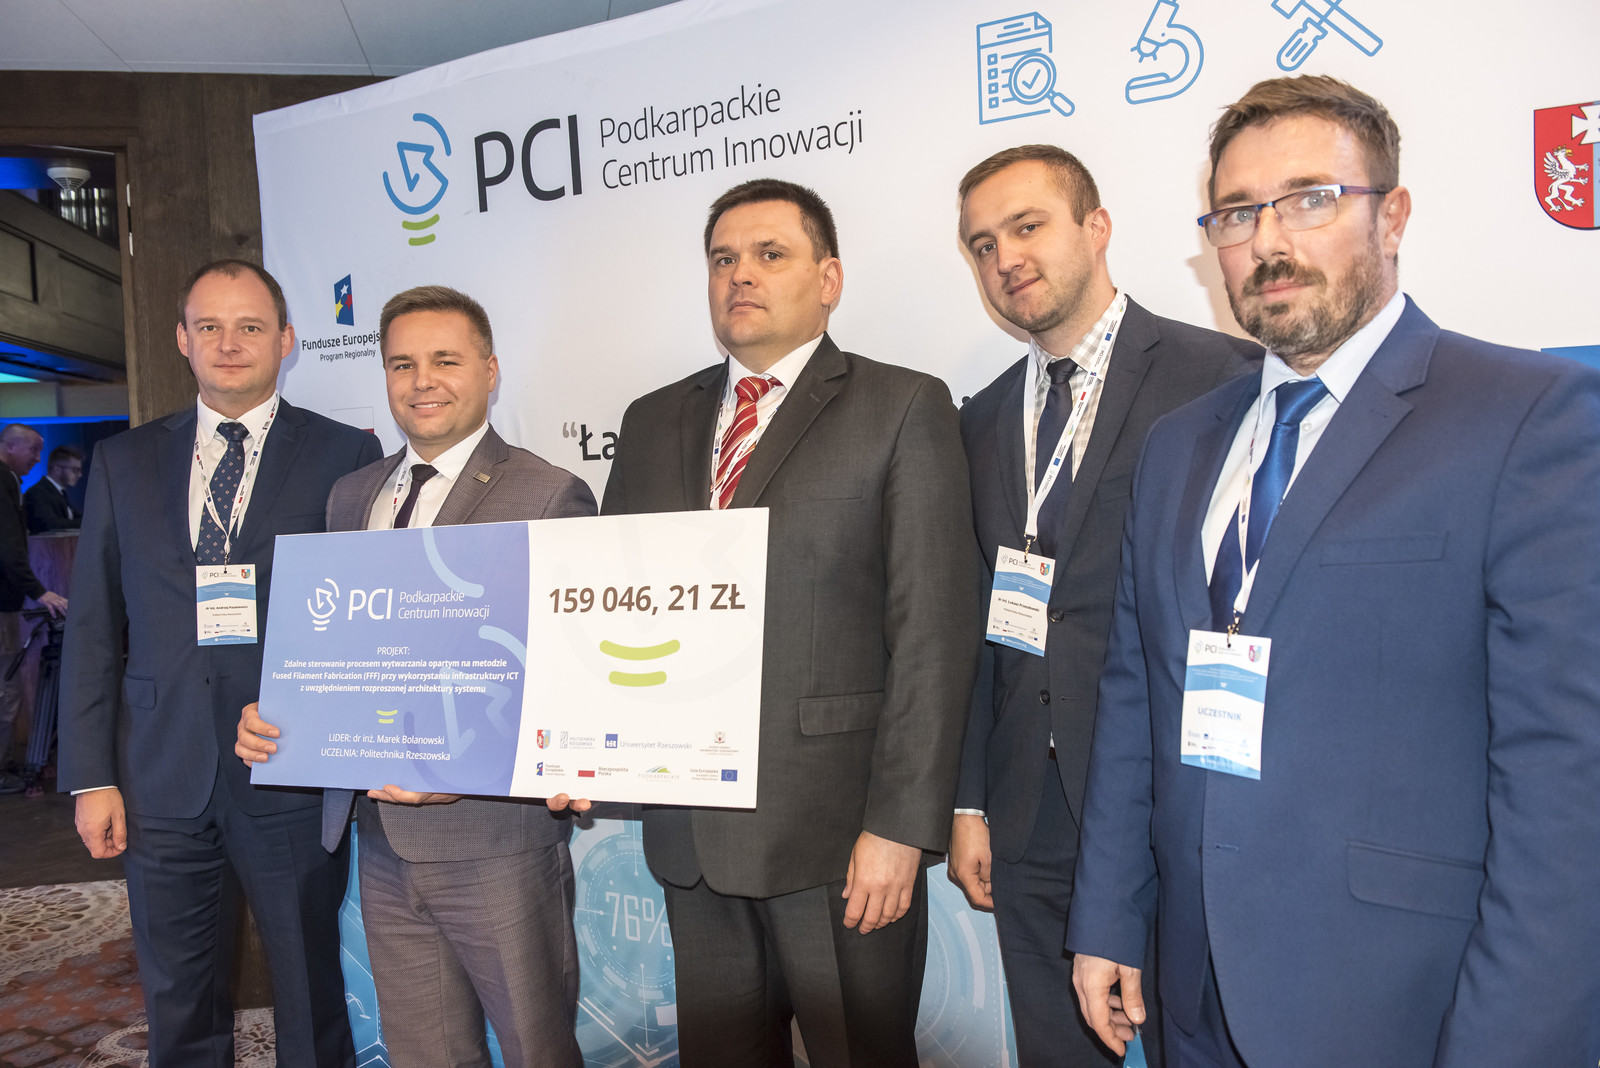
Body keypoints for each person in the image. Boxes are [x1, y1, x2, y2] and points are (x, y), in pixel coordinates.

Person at [1067, 75, 1600, 1067]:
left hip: (1395, 1001)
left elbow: (1566, 783)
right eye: (1237, 213)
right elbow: (1135, 695)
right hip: (1192, 987)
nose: (1268, 241)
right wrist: (1106, 913)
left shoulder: (1526, 416)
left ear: (1391, 216)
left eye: (1311, 199)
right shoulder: (1177, 445)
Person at [573, 178, 979, 1067]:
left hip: (838, 840)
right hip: (692, 835)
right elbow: (611, 605)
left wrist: (900, 827)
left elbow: (934, 634)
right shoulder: (651, 420)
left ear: (828, 280)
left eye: (769, 254)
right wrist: (579, 749)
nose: (740, 275)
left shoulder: (902, 406)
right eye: (723, 259)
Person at [949, 144, 1258, 1066]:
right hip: (1029, 809)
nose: (1005, 258)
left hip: (1172, 798)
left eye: (1027, 226)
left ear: (1097, 227)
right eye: (982, 245)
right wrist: (970, 801)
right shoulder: (981, 417)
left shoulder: (1221, 376)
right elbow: (979, 621)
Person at [237, 285, 594, 1068]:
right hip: (382, 843)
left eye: (445, 360)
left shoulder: (548, 493)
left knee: (537, 1051)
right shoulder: (352, 494)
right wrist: (284, 716)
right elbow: (342, 651)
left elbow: (568, 678)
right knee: (425, 1054)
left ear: (490, 372)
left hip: (495, 842)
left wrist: (462, 769)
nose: (422, 380)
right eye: (402, 364)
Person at [58, 259, 382, 1067]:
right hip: (159, 772)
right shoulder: (124, 461)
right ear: (182, 339)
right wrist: (91, 776)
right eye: (210, 326)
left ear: (287, 340)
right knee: (178, 997)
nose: (228, 343)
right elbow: (92, 627)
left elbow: (365, 617)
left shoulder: (346, 452)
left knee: (309, 993)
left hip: (287, 766)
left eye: (249, 327)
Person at [0, 424, 67, 788]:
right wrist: (40, 592)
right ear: (9, 447)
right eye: (33, 449)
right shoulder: (4, 481)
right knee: (5, 689)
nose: (38, 459)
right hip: (2, 606)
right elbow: (8, 547)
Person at [25, 444, 85, 532]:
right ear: (57, 470)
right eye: (75, 470)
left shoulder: (60, 492)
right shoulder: (38, 492)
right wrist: (86, 522)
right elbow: (51, 525)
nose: (80, 475)